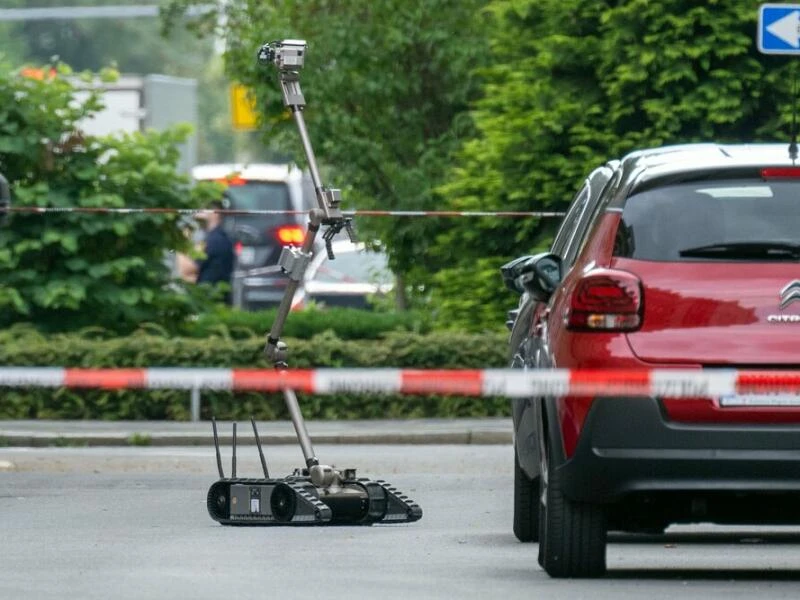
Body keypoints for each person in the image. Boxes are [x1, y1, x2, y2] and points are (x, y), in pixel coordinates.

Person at [179, 200, 235, 302]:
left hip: (212, 300)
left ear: (216, 212)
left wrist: (181, 243)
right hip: (215, 298)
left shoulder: (215, 240)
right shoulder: (216, 237)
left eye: (203, 208)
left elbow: (187, 269)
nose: (198, 211)